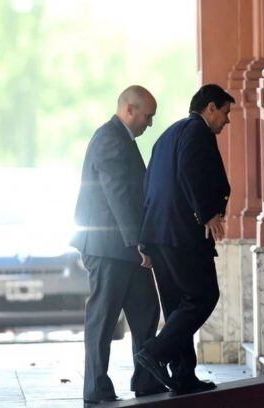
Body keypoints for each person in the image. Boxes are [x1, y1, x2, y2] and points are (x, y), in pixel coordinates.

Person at [134, 84, 235, 395]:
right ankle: (154, 352)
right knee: (204, 296)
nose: (226, 122)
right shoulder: (196, 131)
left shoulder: (168, 135)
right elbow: (190, 172)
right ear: (211, 109)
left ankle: (182, 377)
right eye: (225, 113)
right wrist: (207, 213)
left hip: (160, 235)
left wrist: (145, 238)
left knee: (178, 306)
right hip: (182, 235)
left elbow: (149, 184)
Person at [71, 85, 167, 404]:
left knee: (146, 311)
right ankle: (96, 388)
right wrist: (139, 242)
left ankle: (146, 378)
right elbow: (119, 195)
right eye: (147, 116)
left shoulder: (120, 138)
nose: (149, 123)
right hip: (108, 247)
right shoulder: (110, 139)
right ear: (129, 110)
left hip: (124, 247)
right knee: (103, 318)